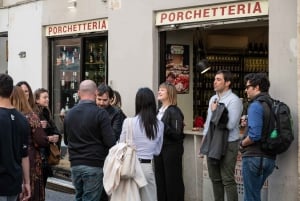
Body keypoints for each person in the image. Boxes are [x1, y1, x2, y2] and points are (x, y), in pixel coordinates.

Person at [64, 80, 115, 201]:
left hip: (75, 164)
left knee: (79, 197)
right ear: (96, 92)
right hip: (94, 163)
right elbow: (111, 142)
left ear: (78, 93)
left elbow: (66, 141)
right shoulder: (101, 114)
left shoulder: (69, 114)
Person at [200, 70, 243, 201]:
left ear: (227, 83)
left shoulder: (234, 101)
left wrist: (216, 111)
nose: (215, 81)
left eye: (219, 79)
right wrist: (203, 142)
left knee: (228, 180)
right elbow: (208, 123)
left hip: (229, 143)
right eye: (215, 79)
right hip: (212, 142)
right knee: (215, 179)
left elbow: (229, 125)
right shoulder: (213, 99)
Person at [119, 87, 164, 201]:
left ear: (137, 103)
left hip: (129, 167)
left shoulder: (128, 122)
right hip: (146, 167)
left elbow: (121, 145)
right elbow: (157, 151)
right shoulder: (159, 125)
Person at [239, 73, 276, 201]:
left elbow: (254, 136)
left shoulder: (255, 105)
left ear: (257, 87)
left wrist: (242, 144)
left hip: (254, 158)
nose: (246, 90)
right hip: (269, 158)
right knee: (254, 195)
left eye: (248, 87)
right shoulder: (272, 104)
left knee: (250, 197)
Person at [10, 86, 50, 201]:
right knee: (31, 191)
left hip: (12, 159)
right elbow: (41, 140)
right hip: (30, 157)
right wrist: (48, 139)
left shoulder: (9, 115)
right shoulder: (31, 116)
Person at [0, 74, 31, 201]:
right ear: (12, 91)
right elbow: (24, 154)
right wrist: (27, 182)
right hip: (14, 181)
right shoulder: (22, 119)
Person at [154, 82, 185, 201]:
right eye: (159, 89)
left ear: (170, 93)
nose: (159, 91)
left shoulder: (174, 111)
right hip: (159, 150)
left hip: (171, 150)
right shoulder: (158, 110)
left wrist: (161, 125)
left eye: (162, 90)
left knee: (172, 181)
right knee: (160, 181)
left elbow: (177, 134)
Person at [33, 88, 61, 187]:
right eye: (44, 97)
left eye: (48, 97)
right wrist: (40, 128)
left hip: (46, 154)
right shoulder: (34, 115)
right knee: (38, 185)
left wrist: (56, 136)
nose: (47, 99)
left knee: (42, 185)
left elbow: (54, 129)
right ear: (36, 100)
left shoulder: (46, 112)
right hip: (40, 156)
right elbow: (34, 135)